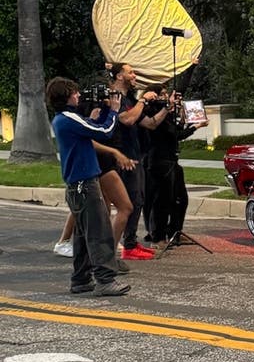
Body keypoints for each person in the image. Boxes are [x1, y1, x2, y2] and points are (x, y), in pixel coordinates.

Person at [46, 77, 130, 296]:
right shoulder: (68, 119)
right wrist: (114, 110)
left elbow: (91, 128)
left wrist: (96, 115)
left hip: (77, 184)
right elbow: (105, 132)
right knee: (98, 231)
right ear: (66, 97)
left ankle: (81, 279)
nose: (78, 95)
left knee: (83, 234)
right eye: (74, 93)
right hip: (85, 183)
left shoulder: (64, 119)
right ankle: (105, 280)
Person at [108, 62, 173, 259]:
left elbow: (150, 124)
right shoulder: (114, 97)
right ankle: (116, 247)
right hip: (121, 156)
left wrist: (167, 109)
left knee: (137, 200)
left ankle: (130, 243)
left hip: (135, 155)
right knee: (128, 202)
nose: (134, 75)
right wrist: (143, 100)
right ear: (119, 76)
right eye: (131, 72)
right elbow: (127, 119)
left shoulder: (129, 99)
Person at [145, 82, 208, 246]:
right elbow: (174, 134)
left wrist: (185, 121)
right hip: (160, 161)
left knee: (181, 198)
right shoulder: (153, 114)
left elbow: (175, 133)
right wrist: (195, 126)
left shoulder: (166, 115)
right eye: (162, 94)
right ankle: (158, 237)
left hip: (172, 160)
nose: (166, 97)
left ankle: (175, 231)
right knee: (162, 201)